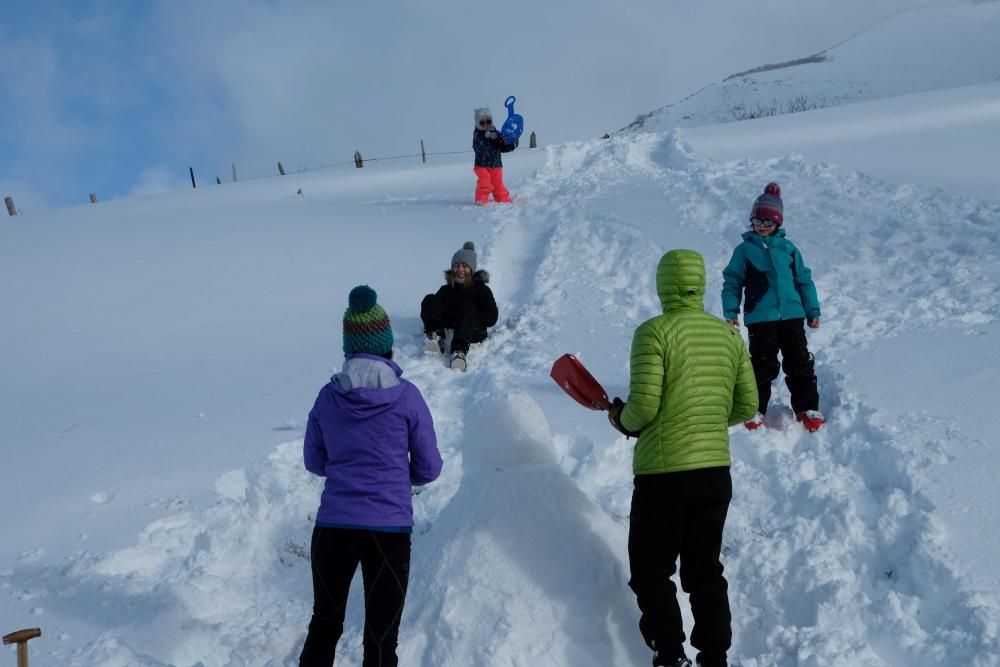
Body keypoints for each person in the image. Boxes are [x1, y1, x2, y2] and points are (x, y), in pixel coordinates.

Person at [607, 249, 758, 667]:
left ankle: (670, 654)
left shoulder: (653, 333)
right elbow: (748, 405)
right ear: (701, 284)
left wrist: (621, 418)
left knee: (652, 571)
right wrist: (705, 422)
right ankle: (714, 656)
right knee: (705, 569)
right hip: (713, 472)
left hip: (663, 475)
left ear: (662, 285)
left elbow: (644, 409)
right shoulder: (729, 336)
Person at [299, 285, 442, 667]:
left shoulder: (328, 397)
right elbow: (429, 468)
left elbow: (314, 461)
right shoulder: (408, 396)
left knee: (325, 624)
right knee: (380, 638)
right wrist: (395, 477)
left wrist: (346, 468)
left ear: (348, 347)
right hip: (388, 531)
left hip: (332, 528)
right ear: (386, 345)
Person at [721, 182, 824, 432]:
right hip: (761, 317)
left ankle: (806, 407)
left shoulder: (788, 249)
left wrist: (812, 311)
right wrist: (731, 311)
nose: (762, 227)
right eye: (757, 222)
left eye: (767, 223)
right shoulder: (745, 251)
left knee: (799, 361)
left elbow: (803, 280)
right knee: (761, 365)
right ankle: (754, 410)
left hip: (791, 315)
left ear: (778, 223)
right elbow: (732, 281)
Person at [420, 241, 499, 371]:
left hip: (473, 331)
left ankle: (459, 352)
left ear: (471, 269)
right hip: (451, 325)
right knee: (430, 299)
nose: (460, 269)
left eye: (464, 266)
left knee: (466, 305)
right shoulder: (446, 288)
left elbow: (492, 317)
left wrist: (471, 316)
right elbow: (435, 308)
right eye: (456, 265)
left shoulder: (482, 290)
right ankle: (436, 335)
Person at [472, 106, 517, 205]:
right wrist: (494, 142)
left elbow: (502, 147)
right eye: (482, 123)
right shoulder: (477, 135)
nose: (486, 124)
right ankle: (481, 199)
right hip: (482, 165)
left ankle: (502, 198)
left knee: (498, 184)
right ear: (477, 123)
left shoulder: (497, 133)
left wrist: (512, 144)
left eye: (488, 121)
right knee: (485, 182)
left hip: (496, 165)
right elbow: (478, 147)